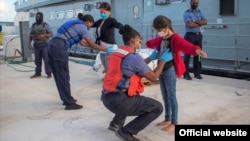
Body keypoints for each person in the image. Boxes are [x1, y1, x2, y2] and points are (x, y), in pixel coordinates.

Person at [101, 24, 173, 141]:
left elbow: (135, 66)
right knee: (157, 108)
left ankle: (115, 124)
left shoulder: (117, 52)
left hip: (107, 97)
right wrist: (163, 60)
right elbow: (153, 77)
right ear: (133, 40)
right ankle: (126, 132)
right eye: (139, 41)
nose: (140, 44)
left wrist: (150, 58)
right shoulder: (134, 57)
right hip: (119, 102)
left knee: (132, 93)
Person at [146, 15, 207, 131]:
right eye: (157, 31)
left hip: (169, 69)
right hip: (161, 69)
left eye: (159, 30)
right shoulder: (162, 38)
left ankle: (174, 122)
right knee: (165, 95)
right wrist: (144, 42)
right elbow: (152, 43)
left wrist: (196, 50)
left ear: (166, 27)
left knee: (172, 96)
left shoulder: (175, 38)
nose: (158, 33)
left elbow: (186, 45)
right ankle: (167, 118)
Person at [48, 14, 115, 110]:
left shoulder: (75, 25)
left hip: (52, 45)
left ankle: (66, 99)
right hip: (59, 46)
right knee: (63, 75)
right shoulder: (82, 27)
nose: (89, 27)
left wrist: (94, 47)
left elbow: (83, 43)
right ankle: (69, 103)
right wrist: (106, 49)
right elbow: (91, 43)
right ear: (87, 22)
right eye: (90, 25)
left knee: (58, 75)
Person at [92, 2, 123, 73]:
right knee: (106, 67)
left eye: (104, 12)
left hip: (110, 48)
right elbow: (91, 24)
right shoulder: (99, 21)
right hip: (102, 49)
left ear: (109, 12)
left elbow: (117, 24)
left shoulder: (111, 20)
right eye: (101, 12)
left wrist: (121, 27)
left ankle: (112, 81)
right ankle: (109, 79)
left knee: (110, 67)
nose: (102, 14)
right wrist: (83, 21)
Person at [183, 0, 207, 80]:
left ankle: (197, 73)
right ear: (190, 3)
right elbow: (189, 24)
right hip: (190, 36)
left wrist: (195, 22)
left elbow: (205, 21)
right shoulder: (187, 13)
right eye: (194, 3)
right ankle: (186, 74)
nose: (195, 4)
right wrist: (200, 23)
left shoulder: (200, 12)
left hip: (198, 36)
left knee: (198, 55)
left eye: (197, 3)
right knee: (187, 55)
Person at [29, 12, 53, 79]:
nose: (37, 18)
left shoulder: (46, 25)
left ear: (42, 17)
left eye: (39, 17)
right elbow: (30, 35)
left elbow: (51, 34)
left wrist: (44, 35)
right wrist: (29, 44)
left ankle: (49, 73)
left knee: (46, 60)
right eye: (37, 17)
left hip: (44, 45)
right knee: (37, 60)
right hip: (36, 45)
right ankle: (38, 73)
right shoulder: (33, 25)